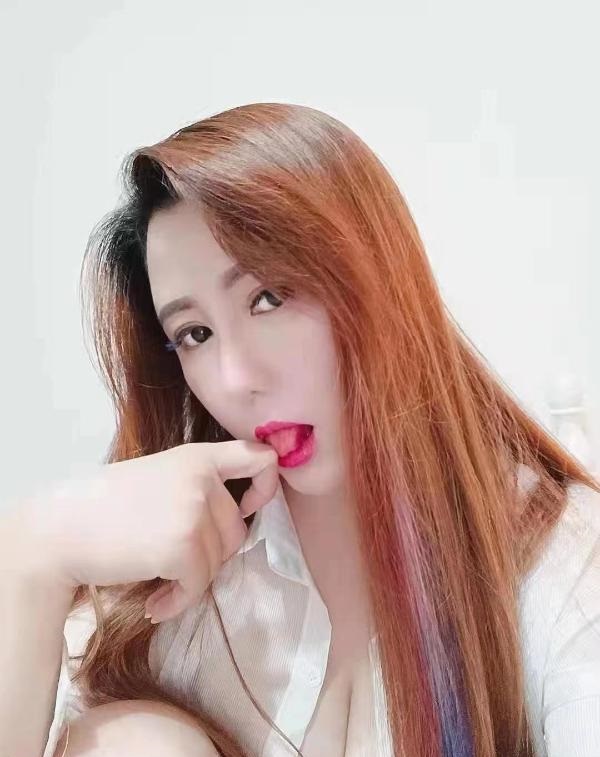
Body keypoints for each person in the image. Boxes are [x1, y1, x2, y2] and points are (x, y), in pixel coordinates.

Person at [1, 102, 599, 757]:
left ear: (375, 280)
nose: (236, 377)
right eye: (194, 334)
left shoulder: (559, 560)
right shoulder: (179, 591)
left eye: (269, 298)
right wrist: (32, 555)